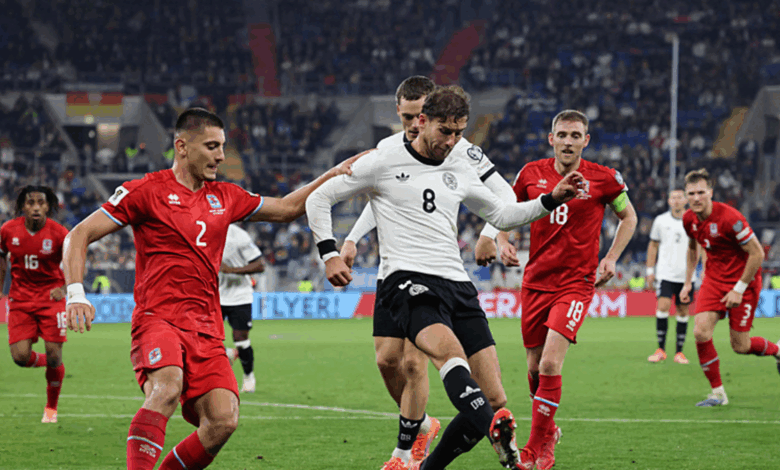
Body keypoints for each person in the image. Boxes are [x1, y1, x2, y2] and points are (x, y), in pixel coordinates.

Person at [63, 108, 361, 470]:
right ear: (182, 147)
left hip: (206, 328)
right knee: (167, 387)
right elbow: (79, 234)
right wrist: (76, 293)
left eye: (222, 146)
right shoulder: (146, 191)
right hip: (159, 319)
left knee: (223, 419)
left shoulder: (226, 196)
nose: (221, 155)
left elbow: (286, 208)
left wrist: (332, 174)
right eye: (211, 146)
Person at [306, 86, 583, 470]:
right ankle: (494, 435)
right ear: (422, 121)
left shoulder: (459, 163)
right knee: (444, 357)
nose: (451, 141)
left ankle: (433, 462)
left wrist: (552, 198)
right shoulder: (383, 158)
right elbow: (318, 198)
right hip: (407, 279)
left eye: (458, 132)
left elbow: (502, 214)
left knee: (496, 396)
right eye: (444, 131)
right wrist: (331, 251)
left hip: (456, 282)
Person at [340, 76, 517, 469]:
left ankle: (405, 453)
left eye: (418, 116)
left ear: (431, 113)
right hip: (393, 271)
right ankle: (422, 427)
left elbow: (506, 196)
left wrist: (490, 234)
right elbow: (382, 197)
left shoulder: (461, 150)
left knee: (415, 362)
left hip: (431, 272)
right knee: (388, 361)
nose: (411, 125)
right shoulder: (390, 148)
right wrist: (351, 238)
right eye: (405, 117)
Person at [509, 110, 637, 469]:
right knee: (534, 370)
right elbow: (505, 210)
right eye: (562, 134)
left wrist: (611, 258)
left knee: (550, 363)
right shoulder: (530, 174)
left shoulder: (604, 178)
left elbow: (629, 217)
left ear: (586, 140)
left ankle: (537, 449)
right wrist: (503, 239)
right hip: (536, 282)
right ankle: (549, 431)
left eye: (575, 135)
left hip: (576, 283)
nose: (568, 141)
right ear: (551, 138)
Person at [679, 169, 780, 407]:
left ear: (710, 193)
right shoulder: (688, 220)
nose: (696, 198)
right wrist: (687, 281)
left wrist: (739, 288)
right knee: (700, 332)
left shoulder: (730, 218)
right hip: (713, 281)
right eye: (691, 193)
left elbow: (756, 253)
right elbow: (693, 248)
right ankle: (717, 394)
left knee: (741, 346)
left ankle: (777, 350)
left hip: (744, 282)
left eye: (701, 192)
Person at [0, 186, 68, 424]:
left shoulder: (59, 234)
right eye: (31, 203)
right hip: (20, 300)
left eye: (41, 202)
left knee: (54, 354)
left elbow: (76, 260)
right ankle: (50, 363)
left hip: (52, 299)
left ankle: (51, 408)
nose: (36, 207)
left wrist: (66, 287)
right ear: (23, 206)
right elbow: (1, 258)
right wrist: (1, 291)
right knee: (20, 357)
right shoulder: (8, 231)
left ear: (48, 206)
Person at [646, 189, 693, 364]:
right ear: (669, 201)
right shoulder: (660, 221)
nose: (676, 201)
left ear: (685, 200)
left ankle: (679, 352)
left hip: (686, 276)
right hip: (665, 273)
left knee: (682, 311)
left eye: (680, 197)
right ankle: (661, 350)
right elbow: (653, 246)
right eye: (673, 197)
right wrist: (650, 271)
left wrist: (704, 268)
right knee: (663, 306)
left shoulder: (692, 220)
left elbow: (700, 246)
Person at [220, 223, 265, 394]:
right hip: (214, 294)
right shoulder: (200, 231)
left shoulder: (238, 236)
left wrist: (231, 270)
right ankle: (227, 354)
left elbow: (260, 265)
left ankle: (248, 376)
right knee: (204, 338)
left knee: (241, 338)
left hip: (239, 295)